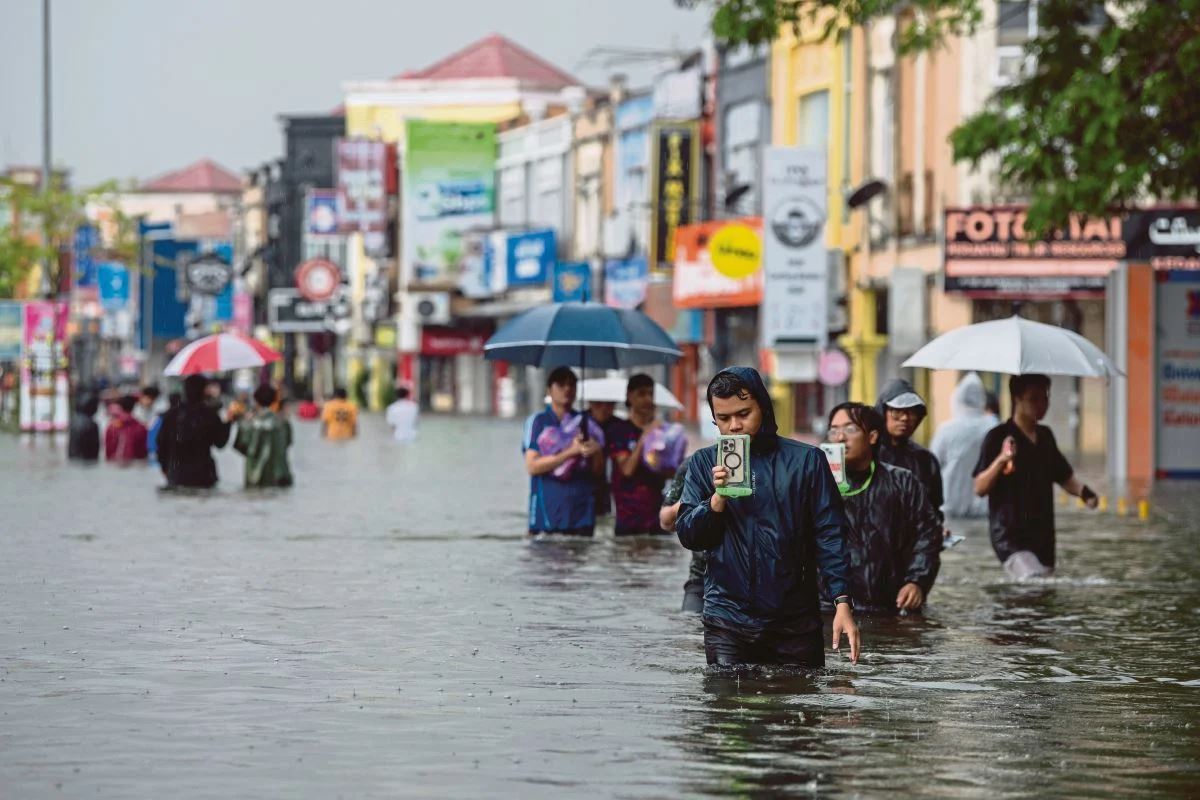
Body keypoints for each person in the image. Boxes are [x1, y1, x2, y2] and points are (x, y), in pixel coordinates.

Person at [677, 367, 860, 667]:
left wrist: (842, 601)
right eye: (723, 419)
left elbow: (830, 535)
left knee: (799, 706)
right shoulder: (702, 464)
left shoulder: (807, 461)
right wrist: (716, 499)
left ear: (763, 406)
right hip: (727, 620)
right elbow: (689, 535)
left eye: (743, 413)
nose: (734, 426)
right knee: (727, 708)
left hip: (795, 622)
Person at [973, 374, 1098, 579]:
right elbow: (979, 487)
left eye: (1045, 398)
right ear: (1017, 399)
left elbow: (1064, 476)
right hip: (1010, 537)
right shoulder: (998, 437)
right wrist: (1002, 460)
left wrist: (1086, 493)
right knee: (1031, 582)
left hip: (1043, 536)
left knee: (1043, 596)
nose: (1042, 405)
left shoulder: (1046, 436)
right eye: (1034, 398)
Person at [825, 402, 942, 613]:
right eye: (834, 430)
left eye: (850, 429)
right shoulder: (816, 483)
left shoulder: (902, 482)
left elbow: (928, 535)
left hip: (891, 607)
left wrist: (916, 582)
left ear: (872, 436)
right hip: (829, 609)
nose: (840, 437)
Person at [524, 367, 603, 537]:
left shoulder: (587, 423)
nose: (567, 389)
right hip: (546, 515)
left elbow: (598, 471)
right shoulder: (538, 422)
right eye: (561, 384)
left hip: (581, 515)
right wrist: (570, 452)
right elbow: (532, 466)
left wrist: (596, 452)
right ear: (549, 390)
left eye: (571, 385)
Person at [605, 375, 680, 536]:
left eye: (650, 394)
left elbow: (673, 472)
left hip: (656, 520)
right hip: (628, 521)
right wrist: (645, 436)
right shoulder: (618, 430)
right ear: (630, 396)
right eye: (642, 394)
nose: (647, 399)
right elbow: (627, 470)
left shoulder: (662, 432)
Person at [875, 379, 946, 530]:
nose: (905, 418)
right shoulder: (867, 456)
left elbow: (934, 508)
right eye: (897, 412)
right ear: (883, 412)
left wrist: (937, 529)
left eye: (912, 412)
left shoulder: (926, 460)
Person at [930, 373, 993, 519]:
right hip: (984, 507)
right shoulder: (992, 427)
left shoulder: (946, 429)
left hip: (950, 504)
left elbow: (933, 465)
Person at [156, 374, 234, 489]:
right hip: (203, 477)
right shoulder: (210, 415)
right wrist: (228, 423)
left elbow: (160, 443)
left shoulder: (171, 415)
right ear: (203, 391)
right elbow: (220, 443)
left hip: (176, 476)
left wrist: (164, 467)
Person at [659, 453, 706, 612]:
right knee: (689, 627)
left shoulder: (775, 464)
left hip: (758, 581)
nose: (735, 427)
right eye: (726, 424)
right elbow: (666, 521)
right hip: (701, 578)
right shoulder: (696, 463)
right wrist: (693, 497)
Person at [233, 384, 293, 488]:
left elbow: (240, 446)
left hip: (254, 477)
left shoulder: (248, 423)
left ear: (255, 400)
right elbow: (288, 443)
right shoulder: (283, 423)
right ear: (274, 400)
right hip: (280, 476)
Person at [587, 400, 618, 518]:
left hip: (608, 487)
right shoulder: (580, 423)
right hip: (586, 486)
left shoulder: (619, 426)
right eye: (598, 404)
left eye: (609, 404)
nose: (604, 408)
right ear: (590, 403)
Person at [105, 395, 149, 462]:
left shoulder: (112, 427)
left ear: (120, 407)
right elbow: (143, 451)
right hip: (134, 465)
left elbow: (108, 449)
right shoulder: (141, 427)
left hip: (114, 465)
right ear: (134, 407)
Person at [147, 392, 181, 463]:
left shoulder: (160, 418)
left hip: (160, 456)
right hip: (177, 457)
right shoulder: (185, 417)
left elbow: (152, 440)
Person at [68, 393, 101, 462]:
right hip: (88, 461)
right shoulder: (92, 425)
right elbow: (94, 450)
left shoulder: (73, 422)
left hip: (74, 460)